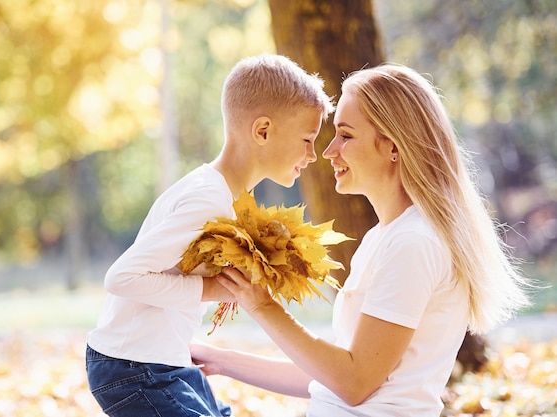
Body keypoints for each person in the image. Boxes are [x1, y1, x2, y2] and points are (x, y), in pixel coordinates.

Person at [190, 63, 531, 416]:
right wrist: (219, 359)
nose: (329, 150)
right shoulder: (386, 236)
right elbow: (330, 377)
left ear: (393, 146)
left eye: (346, 135)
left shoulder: (414, 242)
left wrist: (261, 305)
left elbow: (354, 383)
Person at [85, 53, 334, 417]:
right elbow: (121, 277)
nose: (313, 155)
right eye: (307, 139)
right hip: (133, 368)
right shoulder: (208, 198)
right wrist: (211, 289)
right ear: (262, 130)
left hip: (161, 361)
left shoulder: (225, 196)